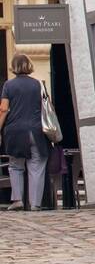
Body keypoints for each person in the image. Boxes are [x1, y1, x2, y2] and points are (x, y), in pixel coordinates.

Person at [0, 53, 50, 212]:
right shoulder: (38, 85)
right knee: (36, 166)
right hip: (36, 130)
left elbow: (3, 109)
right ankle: (35, 203)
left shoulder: (8, 85)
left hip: (15, 131)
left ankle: (18, 200)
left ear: (13, 67)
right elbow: (47, 107)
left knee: (15, 165)